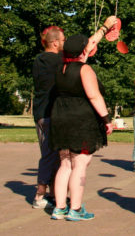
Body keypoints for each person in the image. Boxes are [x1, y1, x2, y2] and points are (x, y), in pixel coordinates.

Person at [49, 17, 118, 221]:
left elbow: (88, 46)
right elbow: (94, 96)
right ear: (82, 52)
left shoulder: (60, 68)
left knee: (65, 164)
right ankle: (76, 209)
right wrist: (106, 119)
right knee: (80, 163)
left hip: (60, 117)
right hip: (81, 120)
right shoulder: (84, 69)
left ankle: (59, 208)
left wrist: (104, 28)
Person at [31, 26, 65, 209]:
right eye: (63, 40)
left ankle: (53, 193)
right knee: (50, 155)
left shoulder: (38, 60)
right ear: (55, 43)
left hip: (40, 113)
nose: (65, 43)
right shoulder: (57, 60)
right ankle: (40, 194)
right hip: (50, 114)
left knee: (54, 155)